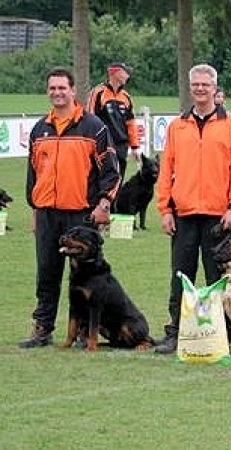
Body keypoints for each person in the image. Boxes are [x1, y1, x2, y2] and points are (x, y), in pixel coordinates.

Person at [19, 67, 120, 348]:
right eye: (52, 88)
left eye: (62, 88)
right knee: (47, 273)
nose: (57, 93)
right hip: (47, 213)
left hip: (81, 214)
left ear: (73, 91)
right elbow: (33, 173)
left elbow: (111, 171)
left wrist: (104, 204)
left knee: (86, 278)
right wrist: (34, 208)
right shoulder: (40, 129)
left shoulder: (93, 127)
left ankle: (83, 333)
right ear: (47, 91)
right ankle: (43, 329)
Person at [153, 64, 231, 354]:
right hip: (183, 213)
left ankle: (220, 332)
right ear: (190, 87)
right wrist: (165, 209)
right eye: (195, 84)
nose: (200, 89)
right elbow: (166, 169)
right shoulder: (177, 126)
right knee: (180, 275)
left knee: (216, 278)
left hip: (218, 215)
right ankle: (176, 331)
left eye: (205, 85)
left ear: (214, 88)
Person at [86, 62, 140, 181]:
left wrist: (135, 147)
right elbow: (90, 118)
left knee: (118, 181)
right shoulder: (98, 93)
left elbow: (130, 123)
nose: (128, 76)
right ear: (116, 73)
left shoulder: (126, 97)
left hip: (121, 146)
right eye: (126, 73)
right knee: (102, 180)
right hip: (103, 145)